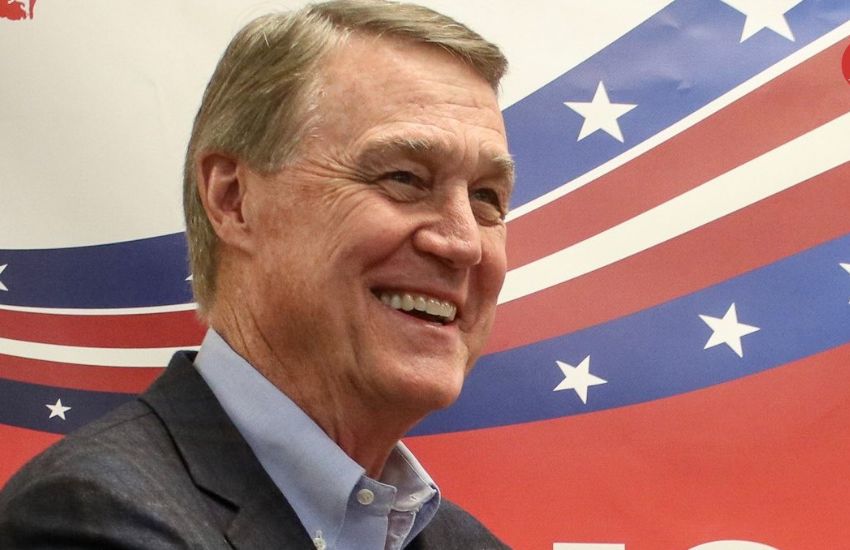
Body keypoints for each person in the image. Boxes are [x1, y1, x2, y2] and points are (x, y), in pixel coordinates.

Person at [0, 1, 514, 548]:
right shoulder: (90, 517)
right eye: (405, 178)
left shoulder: (468, 543)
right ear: (234, 200)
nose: (463, 244)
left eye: (486, 197)